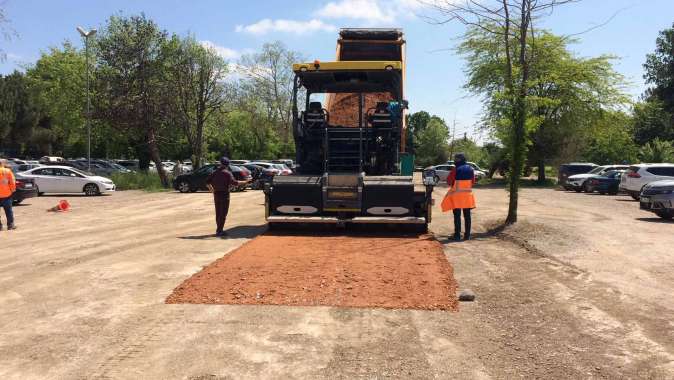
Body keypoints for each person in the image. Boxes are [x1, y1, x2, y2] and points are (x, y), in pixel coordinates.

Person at [206, 157, 248, 237]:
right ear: (227, 165)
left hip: (216, 194)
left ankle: (219, 229)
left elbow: (207, 182)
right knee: (223, 213)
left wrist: (212, 190)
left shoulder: (214, 172)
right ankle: (219, 231)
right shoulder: (227, 173)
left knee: (218, 213)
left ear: (220, 163)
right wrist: (245, 182)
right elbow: (235, 183)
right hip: (225, 194)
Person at [441, 153, 476, 241]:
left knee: (457, 216)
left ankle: (457, 235)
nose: (454, 160)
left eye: (456, 159)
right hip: (467, 196)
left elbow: (449, 181)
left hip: (456, 196)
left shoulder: (455, 169)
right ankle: (467, 236)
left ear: (459, 160)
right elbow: (473, 181)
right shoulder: (471, 169)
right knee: (467, 216)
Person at [0, 159, 17, 231]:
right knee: (8, 211)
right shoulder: (7, 171)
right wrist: (12, 190)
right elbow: (12, 182)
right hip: (7, 195)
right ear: (2, 164)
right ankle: (10, 225)